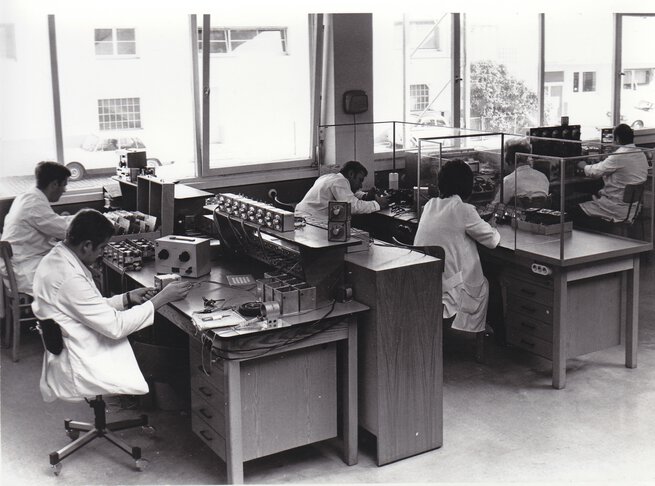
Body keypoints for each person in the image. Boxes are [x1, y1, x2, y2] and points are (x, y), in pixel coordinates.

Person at [32, 209, 192, 402]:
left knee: (162, 348)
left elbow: (86, 307)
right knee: (180, 360)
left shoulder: (56, 258)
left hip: (78, 340)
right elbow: (116, 327)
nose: (102, 254)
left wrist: (125, 298)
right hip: (85, 356)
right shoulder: (68, 277)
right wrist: (161, 299)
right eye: (101, 248)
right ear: (86, 245)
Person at [414, 159, 500, 334]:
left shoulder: (429, 205)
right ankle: (493, 337)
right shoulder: (465, 210)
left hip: (426, 285)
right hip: (451, 292)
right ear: (467, 185)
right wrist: (493, 226)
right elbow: (492, 241)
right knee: (493, 279)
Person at [1, 161, 74, 295]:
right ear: (54, 184)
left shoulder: (27, 197)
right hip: (24, 270)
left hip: (20, 263)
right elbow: (66, 231)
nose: (64, 190)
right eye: (64, 185)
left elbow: (53, 221)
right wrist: (93, 220)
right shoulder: (34, 204)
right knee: (78, 278)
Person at [577, 123, 649, 222]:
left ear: (617, 139)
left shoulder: (619, 155)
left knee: (573, 210)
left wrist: (583, 166)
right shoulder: (640, 153)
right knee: (591, 195)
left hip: (615, 208)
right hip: (633, 208)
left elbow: (595, 172)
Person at [295, 160, 389, 219]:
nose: (360, 185)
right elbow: (352, 207)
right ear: (351, 174)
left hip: (301, 217)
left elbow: (347, 194)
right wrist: (378, 204)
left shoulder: (328, 177)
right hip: (311, 220)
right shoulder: (340, 182)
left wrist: (365, 196)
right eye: (360, 180)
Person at [494, 138, 550, 205]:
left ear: (509, 160)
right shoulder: (542, 176)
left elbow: (496, 205)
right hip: (540, 215)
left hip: (518, 214)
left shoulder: (508, 180)